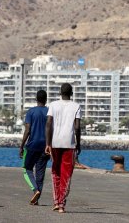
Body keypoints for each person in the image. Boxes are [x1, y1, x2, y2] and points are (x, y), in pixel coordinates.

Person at [45, 83, 81, 213]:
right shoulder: (76, 106)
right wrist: (78, 143)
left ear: (60, 92)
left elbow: (48, 124)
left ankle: (56, 201)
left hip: (54, 142)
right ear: (71, 93)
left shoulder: (53, 105)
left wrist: (48, 143)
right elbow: (77, 127)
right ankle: (61, 204)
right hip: (69, 143)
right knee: (66, 173)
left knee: (55, 171)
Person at [19, 90, 50, 205]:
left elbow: (27, 130)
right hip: (45, 146)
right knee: (40, 173)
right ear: (46, 99)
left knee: (27, 169)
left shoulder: (31, 112)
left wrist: (22, 146)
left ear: (36, 99)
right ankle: (36, 198)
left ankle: (35, 190)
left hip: (32, 145)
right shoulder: (49, 111)